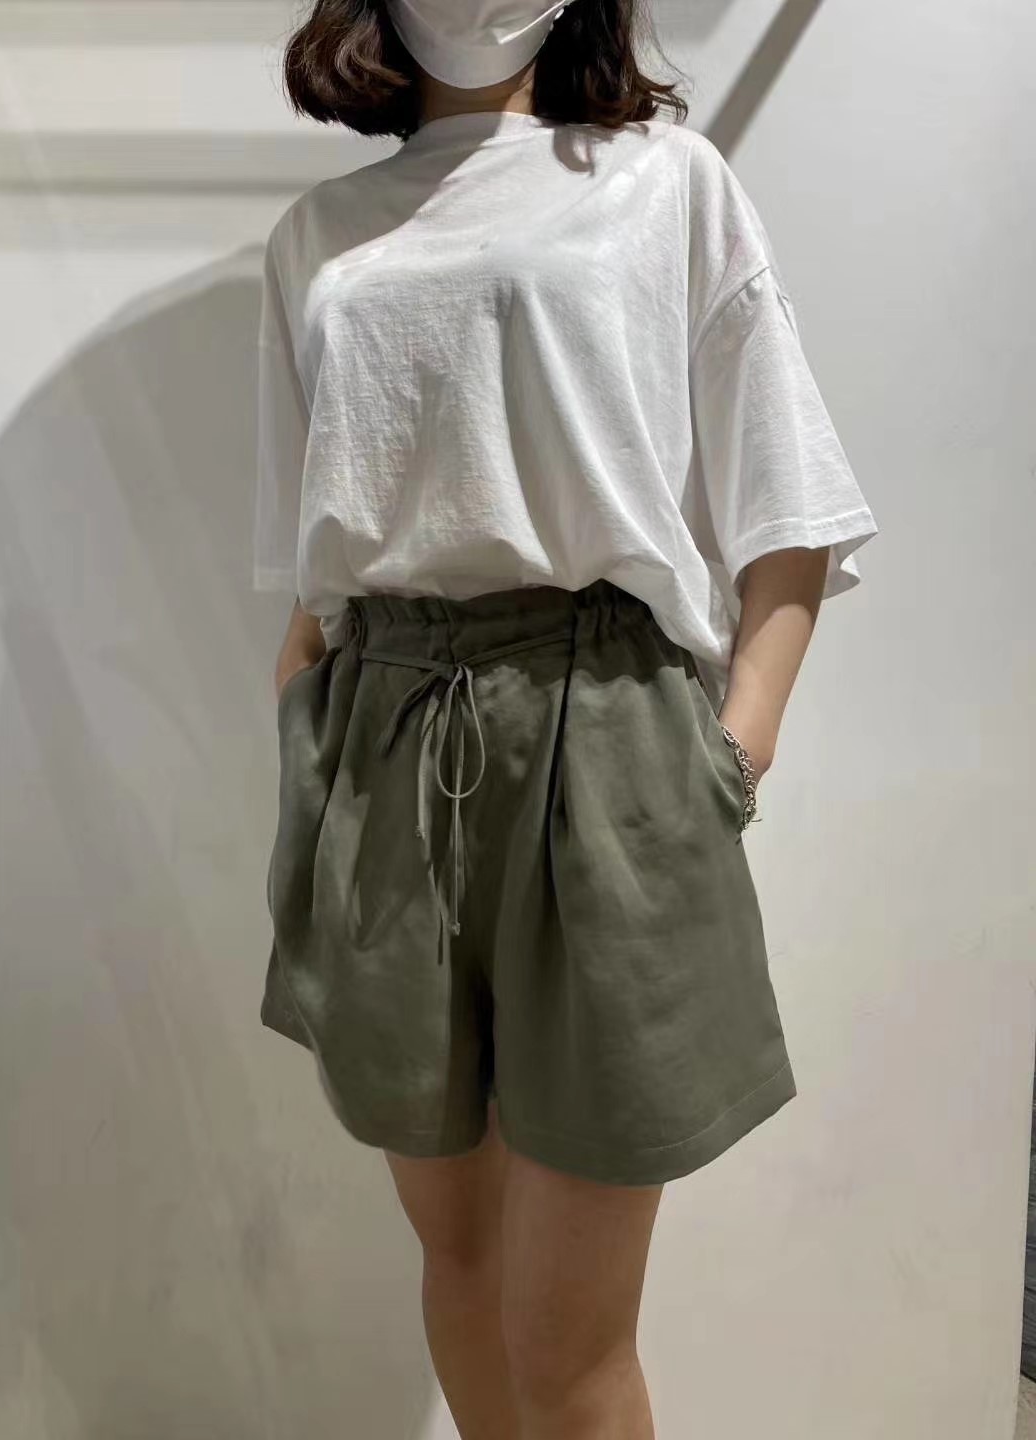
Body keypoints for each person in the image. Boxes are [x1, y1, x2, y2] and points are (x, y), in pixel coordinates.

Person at [253, 2, 879, 1436]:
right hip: (384, 741)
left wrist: (736, 748)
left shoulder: (667, 183)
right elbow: (307, 569)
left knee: (569, 1333)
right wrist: (310, 752)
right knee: (462, 1266)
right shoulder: (317, 235)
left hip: (605, 733)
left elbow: (787, 502)